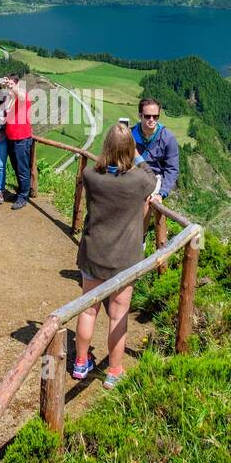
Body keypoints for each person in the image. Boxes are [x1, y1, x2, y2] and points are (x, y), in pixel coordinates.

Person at [71, 125, 161, 389]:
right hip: (124, 259)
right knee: (118, 315)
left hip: (93, 253)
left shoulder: (91, 175)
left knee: (88, 310)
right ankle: (114, 371)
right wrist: (138, 156)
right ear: (129, 149)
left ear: (107, 147)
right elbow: (152, 177)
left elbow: (100, 169)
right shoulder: (137, 181)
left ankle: (79, 363)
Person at [131, 98, 180, 209]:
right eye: (147, 116)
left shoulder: (168, 138)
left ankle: (141, 227)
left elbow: (172, 169)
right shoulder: (130, 135)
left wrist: (161, 193)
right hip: (132, 174)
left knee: (146, 199)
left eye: (155, 116)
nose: (151, 120)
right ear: (140, 115)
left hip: (155, 177)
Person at [0, 71, 33, 210]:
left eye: (11, 84)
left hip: (22, 139)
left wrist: (12, 87)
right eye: (8, 85)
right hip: (11, 138)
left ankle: (23, 197)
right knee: (16, 167)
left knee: (22, 169)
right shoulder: (10, 99)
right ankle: (21, 192)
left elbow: (22, 96)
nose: (9, 87)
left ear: (17, 84)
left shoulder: (23, 96)